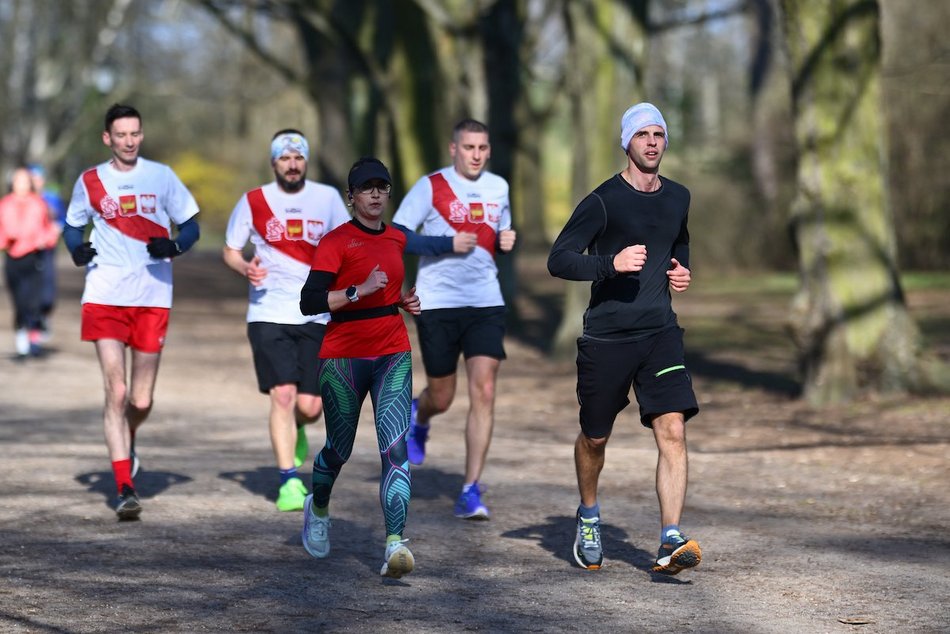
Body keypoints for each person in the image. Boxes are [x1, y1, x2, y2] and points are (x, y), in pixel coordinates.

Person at [547, 102, 701, 575]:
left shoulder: (678, 197)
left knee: (672, 429)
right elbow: (559, 259)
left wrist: (680, 270)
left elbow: (678, 242)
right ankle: (589, 515)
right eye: (642, 135)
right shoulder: (602, 201)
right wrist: (608, 265)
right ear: (627, 143)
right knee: (595, 437)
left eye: (659, 134)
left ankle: (669, 538)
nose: (652, 142)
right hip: (608, 339)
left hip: (660, 334)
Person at [63, 103, 200, 520]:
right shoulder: (90, 180)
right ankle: (124, 486)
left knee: (140, 398)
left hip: (152, 294)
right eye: (121, 134)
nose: (128, 141)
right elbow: (72, 226)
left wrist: (175, 245)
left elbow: (191, 224)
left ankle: (130, 434)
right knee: (116, 391)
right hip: (104, 292)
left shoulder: (161, 176)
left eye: (134, 134)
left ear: (141, 135)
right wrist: (75, 248)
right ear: (108, 138)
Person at [299, 157, 421, 579]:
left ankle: (394, 545)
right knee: (340, 449)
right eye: (365, 188)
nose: (374, 194)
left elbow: (387, 286)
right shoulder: (335, 241)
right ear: (351, 197)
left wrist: (400, 300)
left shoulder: (398, 239)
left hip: (392, 350)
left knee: (395, 449)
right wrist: (357, 291)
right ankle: (317, 507)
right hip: (342, 357)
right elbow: (309, 301)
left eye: (381, 187)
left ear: (388, 193)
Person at [392, 119, 516, 520]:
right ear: (453, 149)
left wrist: (506, 240)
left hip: (485, 302)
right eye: (468, 148)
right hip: (438, 303)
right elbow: (396, 235)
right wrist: (445, 243)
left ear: (489, 150)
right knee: (442, 397)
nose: (476, 155)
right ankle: (419, 414)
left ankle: (470, 489)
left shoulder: (499, 187)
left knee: (484, 390)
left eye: (482, 148)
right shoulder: (431, 186)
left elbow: (498, 235)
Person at [223, 129, 352, 512]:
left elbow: (347, 242)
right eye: (284, 158)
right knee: (282, 394)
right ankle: (288, 481)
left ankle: (296, 428)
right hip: (267, 312)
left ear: (305, 161)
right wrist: (245, 267)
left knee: (310, 407)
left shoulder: (327, 198)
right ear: (273, 162)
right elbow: (231, 250)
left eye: (298, 158)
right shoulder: (254, 200)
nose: (292, 165)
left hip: (316, 311)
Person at [0, 166, 60, 357]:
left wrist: (48, 237)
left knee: (33, 301)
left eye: (25, 180)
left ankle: (32, 336)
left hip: (34, 257)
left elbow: (49, 228)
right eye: (18, 180)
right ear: (12, 183)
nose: (22, 184)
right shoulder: (5, 204)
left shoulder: (38, 204)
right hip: (12, 257)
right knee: (19, 302)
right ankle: (21, 334)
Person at [28, 163, 67, 339]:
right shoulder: (22, 199)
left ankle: (43, 316)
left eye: (38, 178)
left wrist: (57, 228)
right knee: (28, 292)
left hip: (47, 250)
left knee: (47, 294)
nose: (36, 182)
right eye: (32, 178)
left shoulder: (51, 198)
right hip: (27, 251)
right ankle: (31, 331)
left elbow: (65, 220)